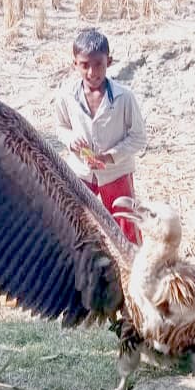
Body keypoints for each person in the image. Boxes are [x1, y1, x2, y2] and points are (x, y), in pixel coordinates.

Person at [54, 28, 147, 245]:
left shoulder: (124, 97)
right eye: (85, 65)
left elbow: (138, 137)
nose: (92, 72)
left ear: (110, 62)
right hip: (81, 172)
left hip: (116, 173)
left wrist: (111, 156)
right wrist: (70, 140)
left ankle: (134, 268)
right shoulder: (67, 95)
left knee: (125, 226)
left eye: (99, 65)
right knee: (74, 219)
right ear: (74, 64)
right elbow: (61, 126)